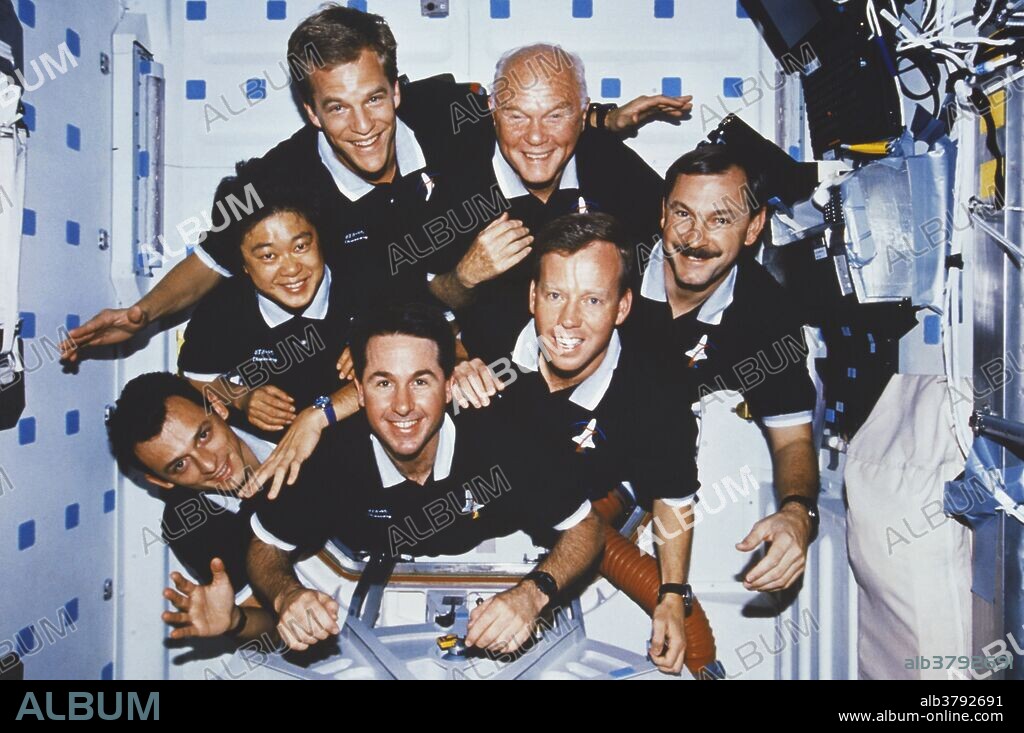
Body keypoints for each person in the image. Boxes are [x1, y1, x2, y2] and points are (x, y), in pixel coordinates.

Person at [60, 7, 688, 365]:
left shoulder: (446, 108)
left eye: (374, 99)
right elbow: (211, 260)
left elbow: (527, 112)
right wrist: (143, 313)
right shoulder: (274, 181)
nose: (362, 128)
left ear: (396, 88)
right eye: (336, 108)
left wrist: (606, 118)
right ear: (310, 111)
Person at [246, 303, 605, 653]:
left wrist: (532, 594)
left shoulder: (504, 437)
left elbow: (586, 527)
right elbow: (265, 544)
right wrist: (286, 595)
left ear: (449, 386)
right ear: (358, 391)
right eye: (383, 383)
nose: (403, 405)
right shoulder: (330, 458)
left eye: (420, 381)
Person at [449, 213, 700, 674]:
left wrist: (671, 595)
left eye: (592, 300)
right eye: (555, 295)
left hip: (574, 516)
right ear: (532, 296)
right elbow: (424, 325)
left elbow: (673, 495)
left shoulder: (656, 393)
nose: (567, 320)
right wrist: (456, 360)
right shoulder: (491, 322)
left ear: (622, 307)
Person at [624, 143, 820, 594]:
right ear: (661, 214)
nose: (695, 238)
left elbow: (792, 437)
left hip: (661, 467)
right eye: (683, 214)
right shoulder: (613, 264)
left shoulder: (766, 316)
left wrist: (796, 512)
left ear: (753, 228)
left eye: (721, 219)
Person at [427, 43, 682, 363]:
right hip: (497, 387)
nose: (535, 137)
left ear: (582, 113)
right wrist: (466, 276)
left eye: (555, 115)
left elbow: (679, 239)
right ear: (493, 110)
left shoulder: (612, 164)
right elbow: (422, 302)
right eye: (517, 115)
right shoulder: (456, 182)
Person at [176, 169, 357, 471]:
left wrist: (378, 347)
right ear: (242, 263)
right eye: (268, 256)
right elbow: (195, 379)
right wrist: (240, 397)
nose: (291, 270)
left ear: (320, 239)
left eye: (301, 246)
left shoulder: (365, 282)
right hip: (275, 462)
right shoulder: (222, 310)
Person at [106, 372, 277, 642]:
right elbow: (274, 628)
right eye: (179, 465)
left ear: (217, 405)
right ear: (159, 480)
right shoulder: (188, 525)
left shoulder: (274, 406)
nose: (209, 465)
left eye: (204, 435)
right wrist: (236, 621)